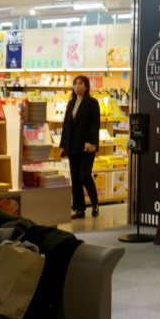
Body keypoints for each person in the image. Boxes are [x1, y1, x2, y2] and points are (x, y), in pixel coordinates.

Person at [60, 75, 101, 219]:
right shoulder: (71, 103)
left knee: (84, 174)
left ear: (87, 86)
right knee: (75, 178)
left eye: (80, 83)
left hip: (86, 146)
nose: (77, 86)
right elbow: (66, 125)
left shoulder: (92, 103)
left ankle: (95, 203)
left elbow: (95, 124)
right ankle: (79, 209)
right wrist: (63, 145)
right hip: (72, 146)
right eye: (75, 83)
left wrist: (93, 143)